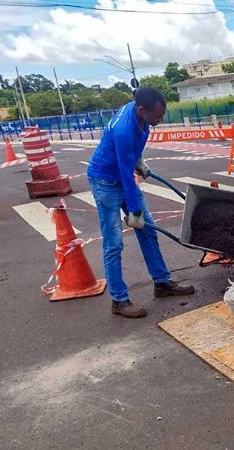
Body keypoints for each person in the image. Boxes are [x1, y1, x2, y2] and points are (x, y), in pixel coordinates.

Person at [87, 87, 194, 319]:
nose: (160, 120)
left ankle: (162, 283)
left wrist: (139, 160)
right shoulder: (124, 130)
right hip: (105, 180)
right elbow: (126, 175)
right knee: (113, 243)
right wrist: (134, 211)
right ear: (141, 110)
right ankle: (119, 300)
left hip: (122, 171)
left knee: (148, 232)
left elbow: (131, 155)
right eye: (156, 116)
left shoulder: (138, 114)